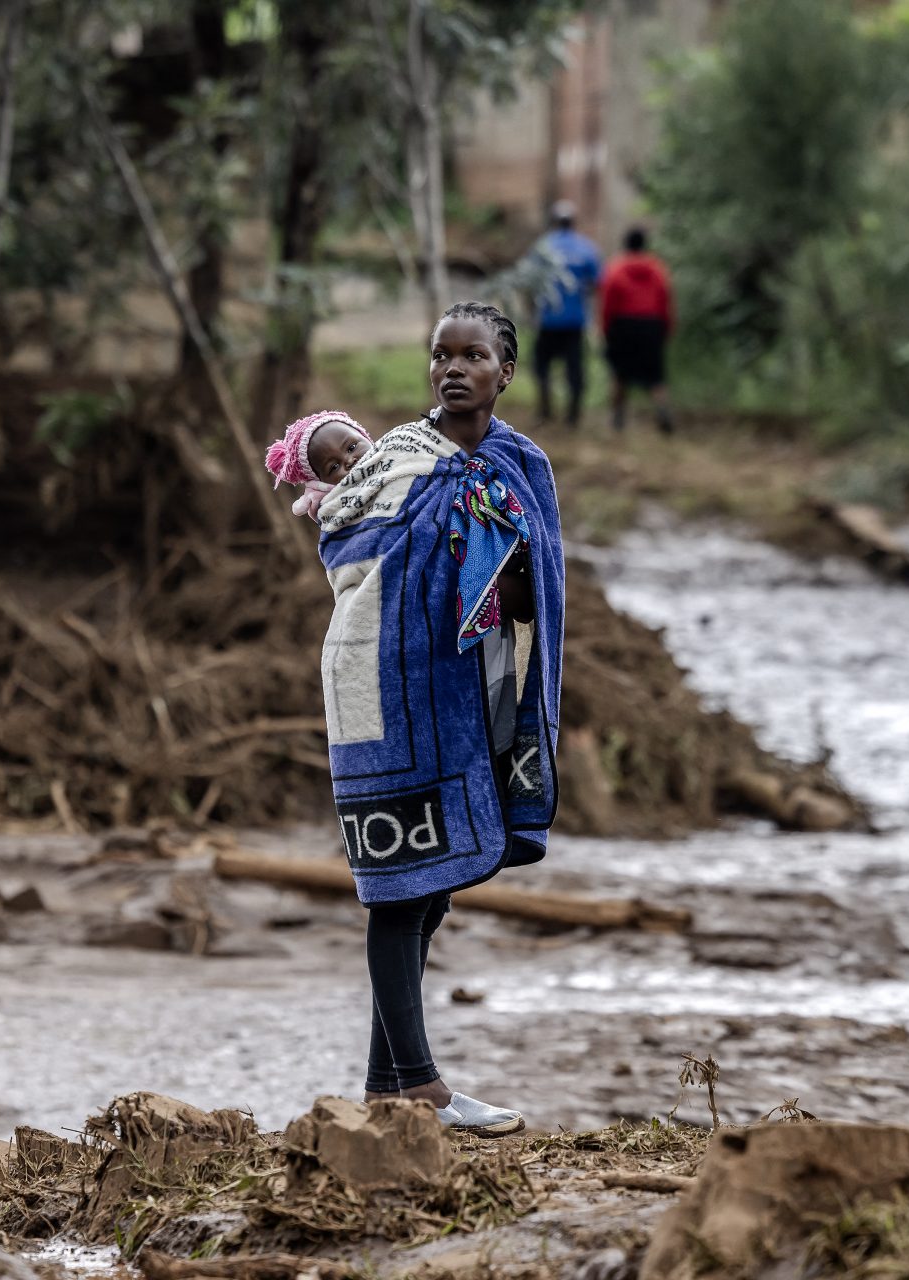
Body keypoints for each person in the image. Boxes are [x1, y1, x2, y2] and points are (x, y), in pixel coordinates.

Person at [307, 300, 566, 1136]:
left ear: (506, 372)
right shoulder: (397, 459)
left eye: (473, 357)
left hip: (466, 687)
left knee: (436, 883)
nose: (453, 369)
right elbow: (343, 541)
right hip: (379, 682)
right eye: (440, 356)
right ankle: (419, 1086)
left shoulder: (519, 463)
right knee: (397, 887)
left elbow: (536, 597)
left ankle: (388, 1085)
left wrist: (501, 552)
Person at [526, 201, 602, 428]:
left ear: (554, 221)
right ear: (573, 222)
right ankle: (573, 416)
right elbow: (598, 283)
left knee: (541, 366)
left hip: (548, 319)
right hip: (574, 320)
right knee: (575, 368)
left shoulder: (542, 247)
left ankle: (545, 410)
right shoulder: (587, 248)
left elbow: (529, 281)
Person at [599, 227, 675, 433]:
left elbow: (608, 303)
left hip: (623, 326)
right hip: (652, 325)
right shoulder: (658, 269)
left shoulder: (615, 269)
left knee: (619, 374)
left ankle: (617, 418)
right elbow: (665, 301)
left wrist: (605, 329)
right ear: (644, 245)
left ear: (626, 244)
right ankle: (663, 412)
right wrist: (666, 328)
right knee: (655, 376)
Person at [263, 410, 373, 521]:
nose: (349, 461)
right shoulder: (339, 512)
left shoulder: (390, 449)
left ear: (364, 436)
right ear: (321, 484)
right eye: (334, 467)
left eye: (352, 447)